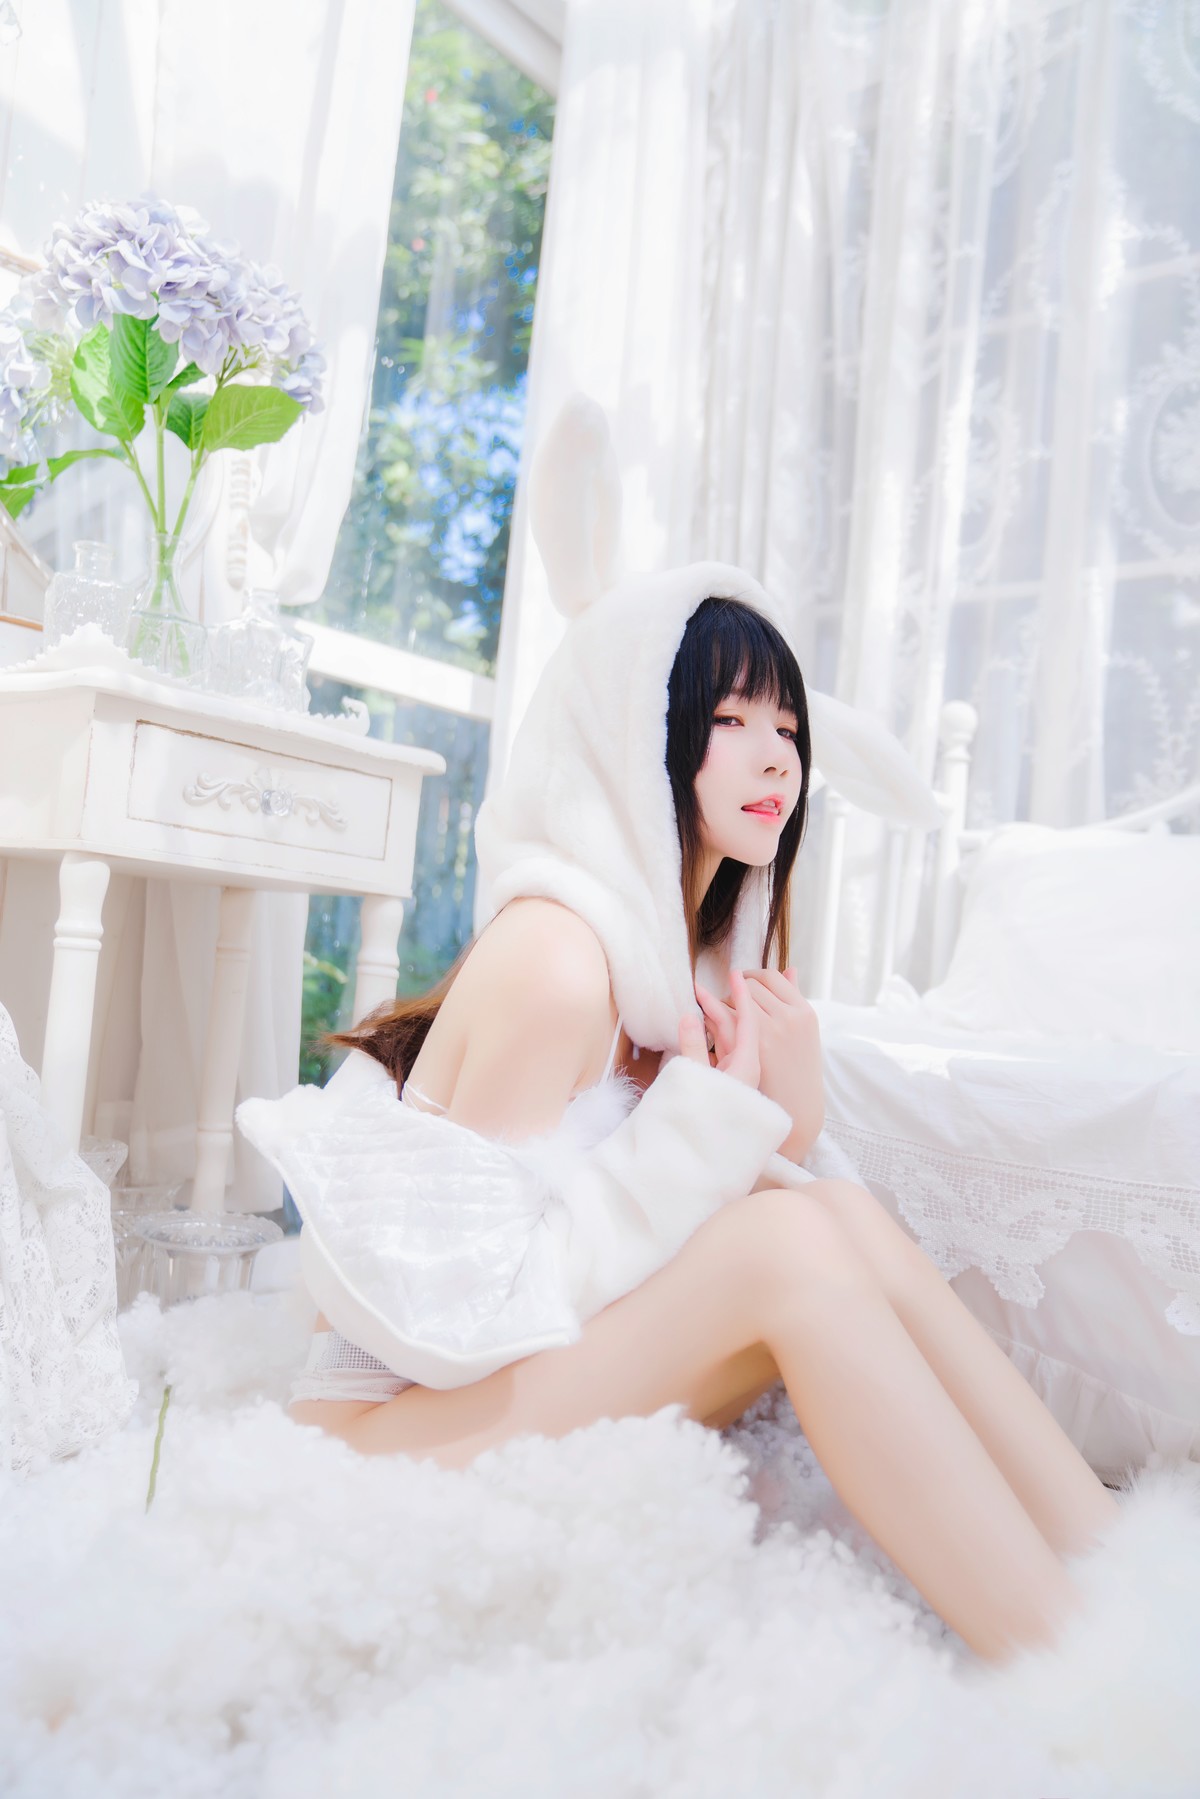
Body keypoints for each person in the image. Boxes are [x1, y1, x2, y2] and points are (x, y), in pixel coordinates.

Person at [237, 396, 1121, 1672]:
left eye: (790, 729)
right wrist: (716, 1118)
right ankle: (1080, 1686)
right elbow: (468, 1310)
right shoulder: (558, 960)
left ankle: (1124, 1579)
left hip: (505, 1395)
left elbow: (686, 1238)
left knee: (835, 1215)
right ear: (633, 735)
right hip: (384, 1441)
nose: (777, 759)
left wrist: (784, 1113)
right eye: (731, 720)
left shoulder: (684, 966)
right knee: (785, 1245)